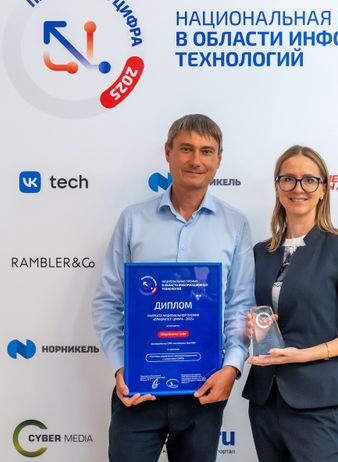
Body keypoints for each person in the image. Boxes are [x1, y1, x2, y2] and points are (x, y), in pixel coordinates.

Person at [92, 114, 255, 462]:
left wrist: (231, 369)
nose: (196, 160)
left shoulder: (236, 225)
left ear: (218, 160)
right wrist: (122, 367)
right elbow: (108, 301)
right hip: (138, 389)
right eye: (186, 149)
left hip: (203, 391)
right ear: (168, 153)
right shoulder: (133, 219)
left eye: (206, 151)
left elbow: (240, 307)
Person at [242, 145, 338, 462]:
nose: (298, 188)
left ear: (323, 189)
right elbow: (254, 316)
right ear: (277, 187)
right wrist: (248, 328)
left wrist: (303, 355)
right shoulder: (261, 252)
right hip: (265, 400)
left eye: (309, 180)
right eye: (288, 179)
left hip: (317, 400)